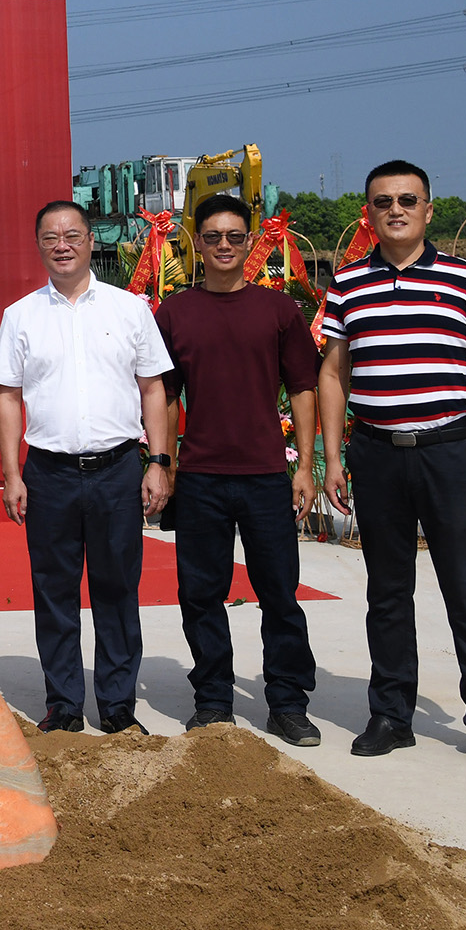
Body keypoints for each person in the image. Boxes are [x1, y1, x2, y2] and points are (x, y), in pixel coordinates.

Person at [319, 159, 466, 771]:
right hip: (376, 454)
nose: (396, 209)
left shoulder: (463, 280)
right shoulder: (349, 283)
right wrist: (332, 457)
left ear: (428, 211)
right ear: (370, 213)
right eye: (384, 201)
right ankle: (391, 714)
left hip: (448, 451)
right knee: (387, 591)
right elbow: (332, 372)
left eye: (408, 199)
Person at [0, 200, 175, 735]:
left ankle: (118, 705)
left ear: (90, 241)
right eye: (50, 237)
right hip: (47, 472)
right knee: (53, 589)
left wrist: (158, 462)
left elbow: (153, 389)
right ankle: (64, 704)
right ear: (39, 246)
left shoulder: (129, 309)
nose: (62, 245)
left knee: (117, 587)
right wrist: (12, 473)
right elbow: (7, 397)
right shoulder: (21, 315)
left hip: (117, 469)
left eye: (72, 234)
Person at [154, 193, 322, 746]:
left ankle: (288, 702)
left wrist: (305, 464)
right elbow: (164, 396)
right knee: (200, 593)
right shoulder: (175, 312)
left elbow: (302, 386)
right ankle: (213, 700)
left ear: (249, 242)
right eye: (212, 237)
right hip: (201, 477)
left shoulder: (278, 310)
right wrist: (167, 465)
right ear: (197, 244)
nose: (224, 245)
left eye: (234, 236)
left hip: (267, 475)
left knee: (279, 592)